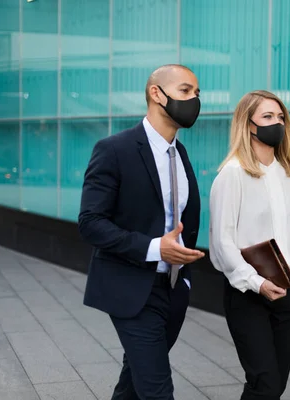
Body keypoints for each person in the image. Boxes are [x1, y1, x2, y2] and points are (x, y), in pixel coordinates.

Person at [78, 64, 205, 400]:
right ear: (156, 93)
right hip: (132, 288)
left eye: (197, 93)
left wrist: (185, 278)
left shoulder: (181, 153)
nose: (194, 100)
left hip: (174, 289)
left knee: (133, 382)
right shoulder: (114, 149)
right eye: (185, 91)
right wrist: (153, 248)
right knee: (157, 389)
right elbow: (90, 222)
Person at [209, 90, 290, 400]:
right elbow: (221, 243)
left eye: (280, 117)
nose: (277, 123)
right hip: (248, 293)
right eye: (268, 117)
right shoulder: (232, 174)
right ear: (248, 124)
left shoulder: (289, 173)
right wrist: (256, 282)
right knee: (264, 382)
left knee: (275, 386)